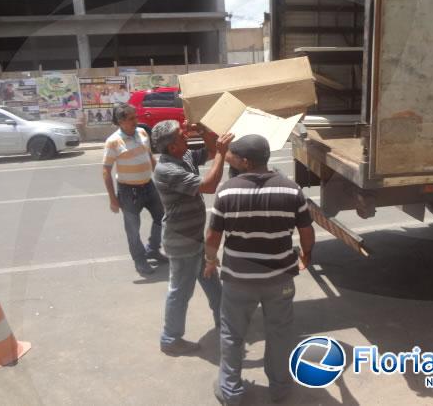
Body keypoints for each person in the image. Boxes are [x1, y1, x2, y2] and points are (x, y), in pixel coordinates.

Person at [204, 134, 315, 405]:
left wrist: (210, 260)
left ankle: (230, 391)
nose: (229, 157)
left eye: (232, 154)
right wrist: (307, 254)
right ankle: (279, 388)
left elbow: (212, 236)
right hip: (280, 279)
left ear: (245, 161)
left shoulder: (228, 191)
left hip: (238, 279)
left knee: (232, 333)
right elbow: (306, 231)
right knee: (279, 332)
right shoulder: (291, 189)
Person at [151, 120, 234, 356]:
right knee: (180, 291)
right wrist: (222, 152)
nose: (186, 136)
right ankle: (170, 339)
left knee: (212, 281)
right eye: (181, 135)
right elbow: (208, 185)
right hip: (182, 241)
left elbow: (208, 151)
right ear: (172, 147)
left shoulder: (183, 156)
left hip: (194, 238)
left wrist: (205, 130)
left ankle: (224, 320)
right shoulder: (167, 170)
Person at [102, 103, 166, 277]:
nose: (136, 120)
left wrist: (161, 178)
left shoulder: (143, 133)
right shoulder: (113, 141)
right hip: (129, 191)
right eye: (131, 118)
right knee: (132, 229)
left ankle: (153, 249)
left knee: (162, 217)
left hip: (149, 186)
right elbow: (106, 170)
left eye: (136, 116)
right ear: (121, 121)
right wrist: (112, 199)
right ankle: (139, 260)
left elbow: (150, 157)